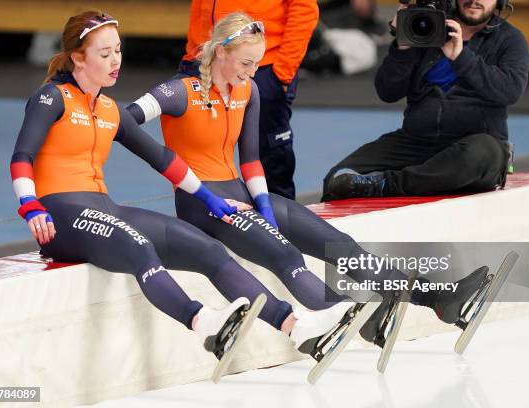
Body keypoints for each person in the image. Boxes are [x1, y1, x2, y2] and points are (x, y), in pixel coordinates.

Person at [9, 10, 359, 360]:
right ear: (77, 58)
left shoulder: (110, 109)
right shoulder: (51, 98)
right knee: (139, 247)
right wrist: (30, 205)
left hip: (105, 208)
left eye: (118, 50)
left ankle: (297, 329)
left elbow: (162, 158)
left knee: (208, 250)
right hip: (59, 216)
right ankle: (203, 322)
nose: (116, 60)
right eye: (105, 54)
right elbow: (22, 155)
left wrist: (209, 198)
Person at [127, 12, 489, 343]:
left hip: (244, 194)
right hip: (203, 205)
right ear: (220, 53)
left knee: (340, 245)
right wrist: (179, 173)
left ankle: (437, 299)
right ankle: (348, 314)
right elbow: (121, 123)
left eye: (257, 64)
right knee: (284, 254)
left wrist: (264, 204)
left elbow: (251, 160)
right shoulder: (178, 91)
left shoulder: (247, 90)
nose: (252, 72)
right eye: (246, 63)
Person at [322, 0, 529, 201]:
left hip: (473, 143)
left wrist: (461, 57)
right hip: (417, 141)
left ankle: (386, 184)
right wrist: (403, 45)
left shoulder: (509, 39)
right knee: (337, 179)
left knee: (484, 153)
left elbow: (509, 90)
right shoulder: (424, 27)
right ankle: (394, 184)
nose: (474, 0)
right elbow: (387, 92)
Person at [177, 0, 320, 199]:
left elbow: (304, 9)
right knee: (198, 148)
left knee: (271, 155)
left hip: (263, 67)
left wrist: (282, 71)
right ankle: (204, 215)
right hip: (206, 61)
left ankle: (279, 222)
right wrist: (194, 53)